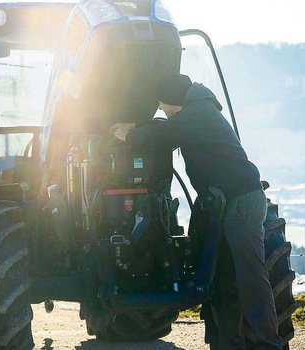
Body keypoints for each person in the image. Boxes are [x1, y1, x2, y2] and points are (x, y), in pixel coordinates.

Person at [111, 74, 282, 350]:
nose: (164, 111)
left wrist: (129, 135)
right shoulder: (199, 110)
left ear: (175, 102)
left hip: (240, 202)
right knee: (227, 278)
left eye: (164, 106)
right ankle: (230, 344)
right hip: (230, 203)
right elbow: (165, 127)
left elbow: (164, 134)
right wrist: (137, 126)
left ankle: (268, 344)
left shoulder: (198, 114)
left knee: (250, 277)